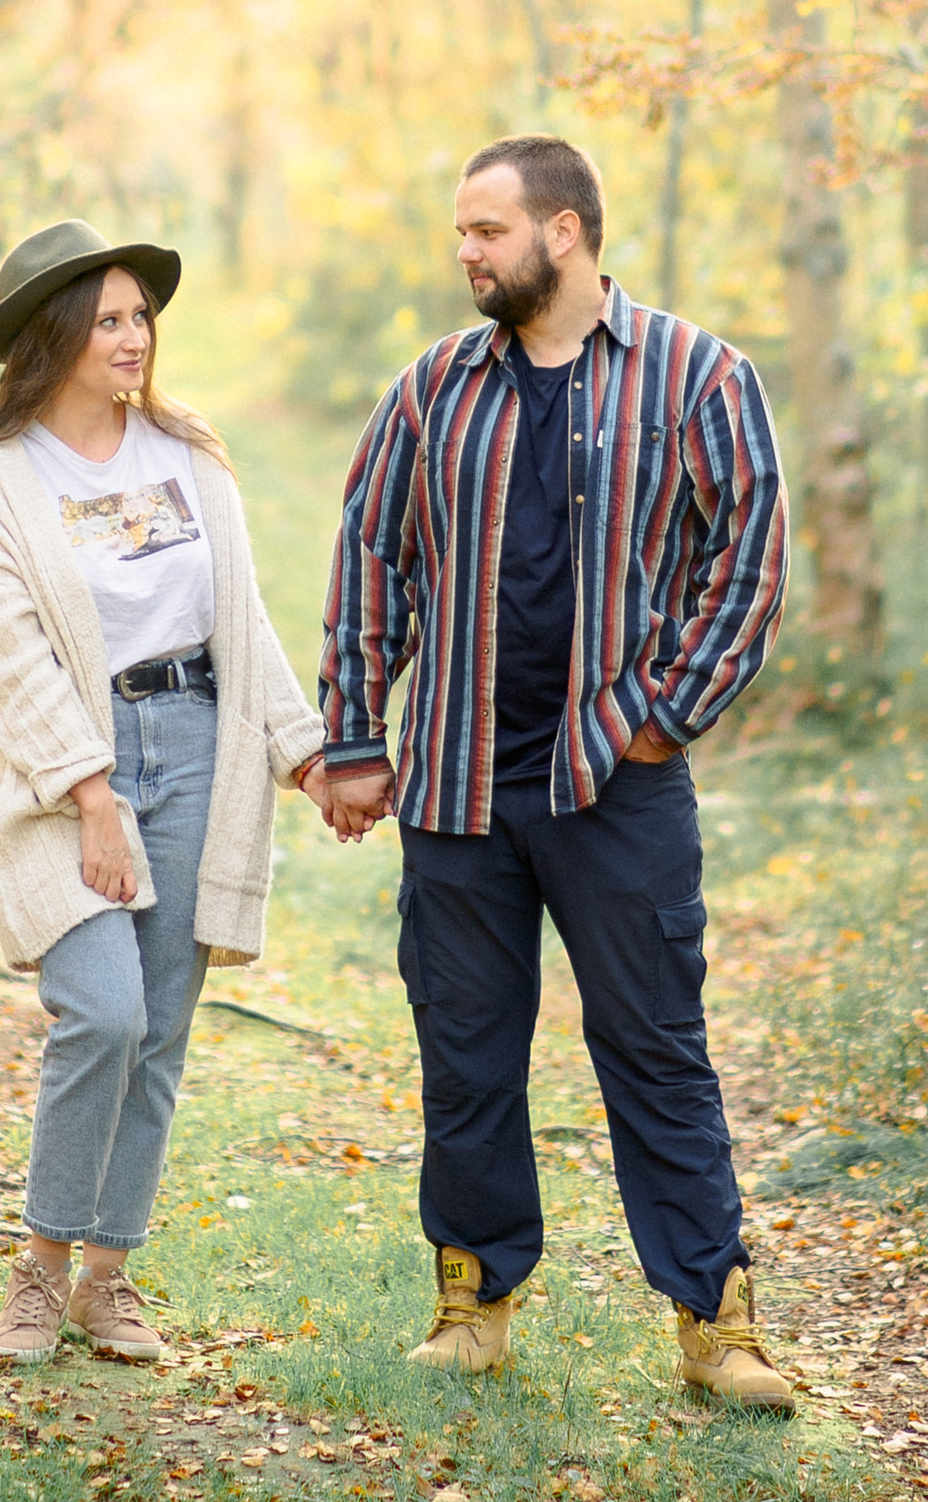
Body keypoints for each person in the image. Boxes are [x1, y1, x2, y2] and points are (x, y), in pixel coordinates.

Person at [313, 136, 798, 1406]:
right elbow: (372, 560)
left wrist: (660, 715)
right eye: (460, 232)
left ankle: (716, 1322)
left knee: (655, 1046)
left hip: (616, 786)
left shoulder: (697, 376)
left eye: (487, 230)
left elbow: (744, 565)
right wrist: (356, 741)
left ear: (565, 231)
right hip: (459, 788)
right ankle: (473, 1302)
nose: (465, 253)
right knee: (466, 1049)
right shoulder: (429, 391)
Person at [0, 217, 327, 1368]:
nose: (132, 336)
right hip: (76, 769)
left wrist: (301, 752)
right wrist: (92, 798)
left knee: (158, 1031)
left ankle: (109, 1278)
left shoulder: (186, 456)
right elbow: (6, 659)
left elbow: (239, 620)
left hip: (200, 740)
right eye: (106, 318)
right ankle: (38, 1271)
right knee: (100, 1012)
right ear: (54, 335)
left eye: (139, 315)